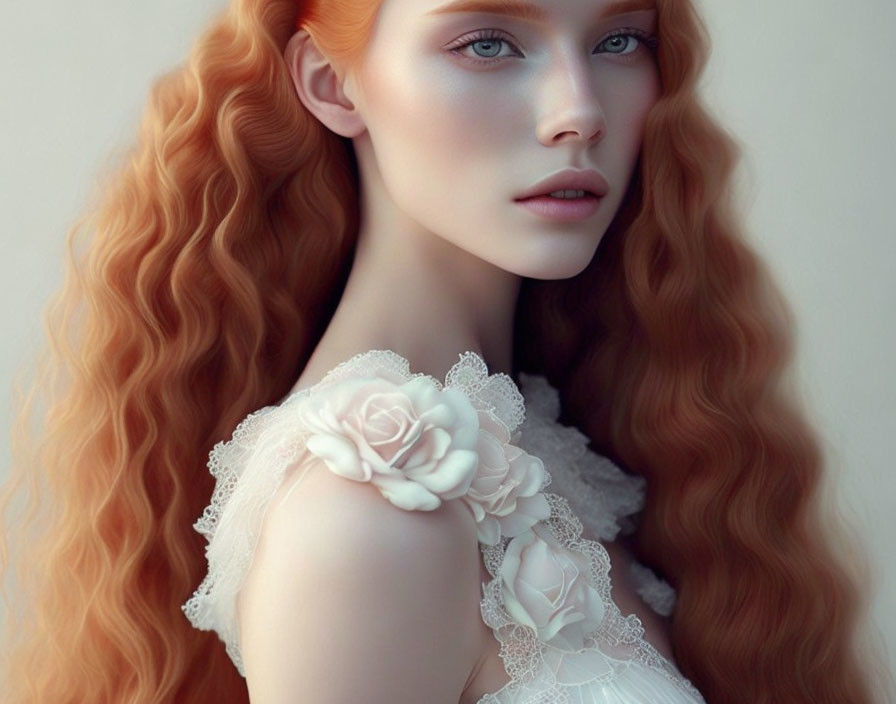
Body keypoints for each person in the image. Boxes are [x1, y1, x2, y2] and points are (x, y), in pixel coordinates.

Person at [0, 0, 883, 702]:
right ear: (333, 83)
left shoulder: (544, 427)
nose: (579, 111)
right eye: (489, 43)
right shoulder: (369, 511)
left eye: (619, 39)